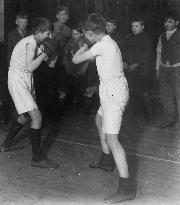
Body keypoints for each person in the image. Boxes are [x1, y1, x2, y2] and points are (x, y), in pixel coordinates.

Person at [72, 13, 136, 203]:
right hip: (110, 88)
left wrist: (83, 46)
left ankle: (126, 188)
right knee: (98, 120)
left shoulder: (100, 45)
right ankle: (106, 161)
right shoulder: (109, 41)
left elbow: (76, 60)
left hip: (114, 92)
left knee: (112, 139)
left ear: (91, 34)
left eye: (85, 35)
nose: (85, 38)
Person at [0, 17, 59, 169]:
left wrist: (55, 50)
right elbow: (30, 67)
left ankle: (6, 144)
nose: (50, 37)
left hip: (25, 79)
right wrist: (45, 53)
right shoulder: (30, 42)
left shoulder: (37, 42)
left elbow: (51, 64)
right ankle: (37, 158)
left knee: (25, 115)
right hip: (18, 79)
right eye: (48, 33)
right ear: (38, 32)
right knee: (36, 116)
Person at [122, 18, 155, 123]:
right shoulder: (129, 37)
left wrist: (136, 64)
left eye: (136, 26)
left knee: (144, 93)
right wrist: (124, 62)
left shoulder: (147, 38)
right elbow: (122, 48)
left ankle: (150, 118)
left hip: (143, 71)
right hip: (130, 70)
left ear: (142, 27)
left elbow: (148, 55)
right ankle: (131, 117)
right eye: (132, 26)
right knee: (128, 93)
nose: (133, 28)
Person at [156, 11, 180, 129]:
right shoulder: (162, 36)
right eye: (165, 21)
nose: (167, 24)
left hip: (177, 69)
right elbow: (159, 52)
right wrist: (157, 68)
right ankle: (170, 119)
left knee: (178, 94)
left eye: (170, 22)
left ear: (177, 22)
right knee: (166, 95)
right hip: (163, 68)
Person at [62, 25, 90, 110]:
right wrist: (67, 69)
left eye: (77, 34)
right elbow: (65, 56)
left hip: (81, 71)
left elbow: (88, 60)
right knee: (70, 89)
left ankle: (81, 109)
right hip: (71, 70)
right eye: (73, 34)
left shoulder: (86, 43)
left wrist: (82, 71)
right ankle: (69, 108)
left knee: (81, 90)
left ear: (82, 34)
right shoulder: (70, 42)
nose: (74, 36)